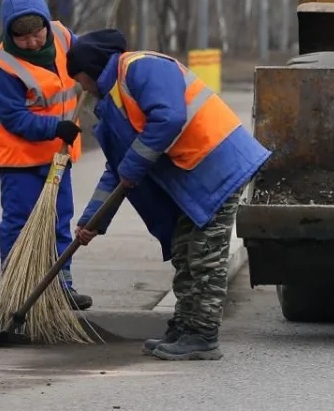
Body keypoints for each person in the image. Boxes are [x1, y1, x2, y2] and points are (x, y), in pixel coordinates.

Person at [65, 29, 272, 361]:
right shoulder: (113, 103)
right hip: (193, 177)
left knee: (204, 256)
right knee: (184, 251)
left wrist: (132, 165)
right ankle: (187, 326)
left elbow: (170, 116)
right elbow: (118, 170)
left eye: (81, 79)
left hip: (218, 164)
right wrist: (93, 220)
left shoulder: (141, 68)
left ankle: (203, 336)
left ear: (93, 69)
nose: (82, 87)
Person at [0, 0, 91, 310]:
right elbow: (15, 118)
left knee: (59, 221)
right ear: (9, 33)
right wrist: (55, 128)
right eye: (22, 37)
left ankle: (62, 286)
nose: (32, 41)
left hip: (59, 156)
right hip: (21, 161)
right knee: (19, 223)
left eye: (36, 33)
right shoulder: (4, 67)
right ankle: (17, 291)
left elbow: (87, 58)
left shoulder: (60, 36)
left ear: (45, 24)